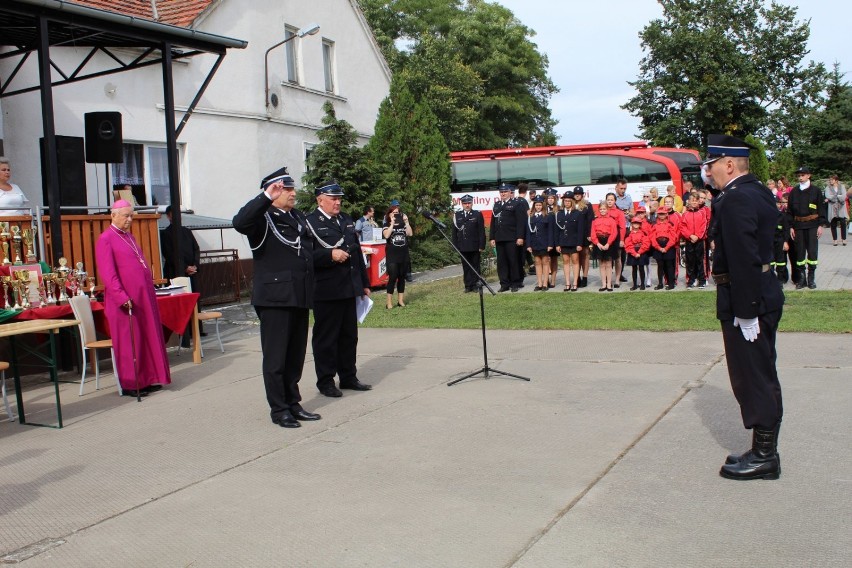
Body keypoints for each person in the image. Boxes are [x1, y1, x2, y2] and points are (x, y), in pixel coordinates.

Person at [702, 133, 784, 481]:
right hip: (759, 291)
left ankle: (765, 457)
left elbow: (744, 258)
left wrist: (746, 310)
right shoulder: (756, 191)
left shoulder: (735, 199)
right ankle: (762, 449)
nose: (708, 172)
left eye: (712, 165)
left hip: (746, 295)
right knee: (758, 371)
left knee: (753, 376)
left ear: (729, 164)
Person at [232, 168, 319, 428]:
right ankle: (279, 409)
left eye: (293, 189)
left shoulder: (297, 217)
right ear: (274, 191)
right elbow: (239, 222)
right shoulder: (263, 218)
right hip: (274, 298)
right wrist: (264, 198)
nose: (293, 193)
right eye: (287, 189)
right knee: (276, 357)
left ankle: (293, 403)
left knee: (295, 356)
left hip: (299, 294)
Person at [95, 200, 170, 398]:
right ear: (113, 215)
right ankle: (130, 384)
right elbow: (108, 274)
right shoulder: (106, 239)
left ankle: (146, 379)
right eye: (126, 216)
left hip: (141, 297)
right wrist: (121, 296)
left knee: (143, 339)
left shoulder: (129, 236)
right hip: (124, 301)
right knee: (129, 343)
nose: (129, 220)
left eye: (131, 216)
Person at [305, 181, 372, 397]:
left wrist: (364, 283)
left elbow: (356, 252)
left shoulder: (345, 219)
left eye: (339, 198)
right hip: (326, 290)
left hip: (348, 288)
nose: (337, 202)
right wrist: (329, 255)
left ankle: (348, 376)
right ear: (320, 199)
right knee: (326, 338)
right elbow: (305, 257)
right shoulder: (310, 222)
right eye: (333, 198)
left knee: (348, 336)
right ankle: (325, 381)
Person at [161, 204, 203, 346]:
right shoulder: (166, 233)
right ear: (168, 216)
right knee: (179, 302)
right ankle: (181, 331)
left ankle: (197, 329)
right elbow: (169, 254)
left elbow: (196, 249)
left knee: (194, 300)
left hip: (192, 271)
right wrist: (184, 268)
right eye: (173, 214)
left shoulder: (187, 231)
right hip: (176, 272)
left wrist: (195, 265)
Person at [787, 166, 827, 289]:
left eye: (803, 175)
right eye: (799, 175)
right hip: (798, 226)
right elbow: (789, 212)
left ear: (809, 175)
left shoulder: (815, 191)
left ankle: (811, 278)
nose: (800, 177)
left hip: (812, 225)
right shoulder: (794, 192)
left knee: (812, 252)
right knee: (799, 253)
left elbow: (821, 208)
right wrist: (791, 227)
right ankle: (801, 279)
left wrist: (821, 225)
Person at [489, 183, 526, 292]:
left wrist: (520, 237)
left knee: (513, 261)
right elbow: (493, 222)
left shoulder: (516, 204)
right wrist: (492, 237)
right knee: (502, 263)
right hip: (500, 237)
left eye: (505, 192)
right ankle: (504, 283)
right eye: (501, 192)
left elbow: (520, 222)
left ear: (510, 192)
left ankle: (515, 283)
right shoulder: (496, 205)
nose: (503, 194)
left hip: (512, 237)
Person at [452, 194, 486, 292]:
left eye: (469, 203)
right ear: (462, 204)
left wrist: (481, 245)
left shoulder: (477, 214)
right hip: (462, 246)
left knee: (475, 266)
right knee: (466, 266)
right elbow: (454, 233)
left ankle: (476, 285)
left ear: (472, 203)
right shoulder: (457, 215)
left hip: (475, 245)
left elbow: (481, 231)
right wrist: (455, 246)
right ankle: (468, 285)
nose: (467, 205)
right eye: (465, 203)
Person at [382, 199, 412, 309]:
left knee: (402, 277)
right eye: (393, 210)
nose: (396, 211)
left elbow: (410, 233)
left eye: (397, 209)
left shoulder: (403, 220)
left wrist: (407, 222)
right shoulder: (386, 221)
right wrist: (392, 223)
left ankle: (400, 301)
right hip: (392, 254)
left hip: (403, 253)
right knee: (393, 277)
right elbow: (386, 235)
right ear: (390, 211)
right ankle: (389, 302)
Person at [554, 192, 585, 291]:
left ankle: (575, 282)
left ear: (572, 201)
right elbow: (557, 231)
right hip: (563, 241)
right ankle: (568, 283)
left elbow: (580, 230)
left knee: (575, 261)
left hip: (574, 241)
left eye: (568, 201)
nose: (567, 202)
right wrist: (557, 244)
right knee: (566, 262)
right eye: (565, 201)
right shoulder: (559, 214)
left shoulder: (578, 213)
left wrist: (580, 243)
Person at [680, 192, 708, 288]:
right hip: (689, 240)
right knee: (690, 261)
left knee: (700, 261)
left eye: (696, 201)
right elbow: (682, 227)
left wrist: (698, 236)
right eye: (693, 201)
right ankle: (691, 280)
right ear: (689, 201)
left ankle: (702, 281)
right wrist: (690, 236)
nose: (695, 202)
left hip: (699, 240)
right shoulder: (685, 214)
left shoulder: (702, 213)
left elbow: (704, 226)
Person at [525, 196, 552, 291]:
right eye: (536, 205)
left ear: (543, 205)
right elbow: (528, 232)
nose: (538, 207)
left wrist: (550, 244)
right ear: (534, 206)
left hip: (544, 243)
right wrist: (528, 245)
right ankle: (539, 283)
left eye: (540, 205)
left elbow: (550, 231)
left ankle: (545, 283)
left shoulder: (546, 216)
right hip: (534, 243)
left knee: (545, 262)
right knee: (537, 262)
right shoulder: (530, 217)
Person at [590, 202, 618, 292]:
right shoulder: (595, 221)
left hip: (608, 242)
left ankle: (609, 284)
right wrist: (597, 243)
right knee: (601, 264)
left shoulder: (612, 220)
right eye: (601, 209)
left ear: (607, 210)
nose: (602, 211)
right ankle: (603, 284)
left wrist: (608, 244)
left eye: (604, 209)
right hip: (599, 242)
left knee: (609, 264)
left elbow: (614, 233)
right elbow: (593, 233)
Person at [651, 207, 678, 289]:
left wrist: (666, 247)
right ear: (657, 215)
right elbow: (652, 237)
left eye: (663, 214)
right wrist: (658, 247)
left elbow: (673, 237)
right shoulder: (655, 225)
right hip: (658, 245)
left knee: (669, 265)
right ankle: (660, 283)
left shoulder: (670, 225)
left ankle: (671, 283)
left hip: (668, 245)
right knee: (660, 265)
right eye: (660, 214)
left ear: (666, 214)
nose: (661, 216)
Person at [572, 186, 595, 288]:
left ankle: (585, 277)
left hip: (585, 234)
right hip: (574, 235)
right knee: (576, 257)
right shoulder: (570, 205)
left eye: (579, 193)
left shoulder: (587, 205)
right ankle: (577, 277)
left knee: (585, 255)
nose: (577, 195)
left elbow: (591, 220)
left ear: (582, 195)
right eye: (576, 194)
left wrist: (590, 234)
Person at [624, 217, 650, 290]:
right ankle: (634, 284)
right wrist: (634, 253)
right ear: (632, 224)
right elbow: (628, 244)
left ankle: (642, 284)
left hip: (641, 251)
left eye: (637, 223)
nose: (636, 224)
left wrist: (639, 252)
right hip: (633, 252)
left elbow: (646, 243)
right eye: (634, 223)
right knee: (634, 268)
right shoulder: (629, 233)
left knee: (641, 268)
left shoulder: (643, 233)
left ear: (640, 224)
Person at [543, 188, 560, 287]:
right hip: (545, 237)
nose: (550, 200)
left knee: (554, 259)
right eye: (548, 198)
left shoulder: (558, 208)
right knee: (546, 259)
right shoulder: (543, 209)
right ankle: (546, 279)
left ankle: (553, 280)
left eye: (552, 198)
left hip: (555, 237)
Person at [824, 174, 848, 246]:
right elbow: (828, 196)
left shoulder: (842, 187)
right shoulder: (828, 188)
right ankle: (835, 240)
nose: (830, 181)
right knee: (833, 223)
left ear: (836, 180)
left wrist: (834, 197)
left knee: (843, 223)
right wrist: (837, 196)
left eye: (832, 180)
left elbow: (844, 196)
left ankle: (844, 239)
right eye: (830, 180)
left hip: (841, 207)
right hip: (832, 207)